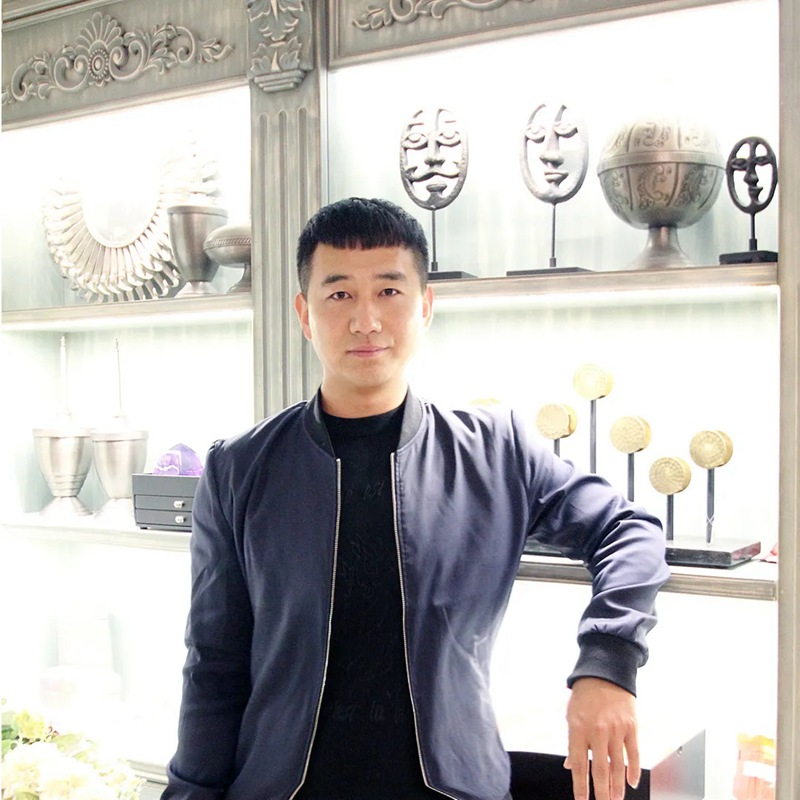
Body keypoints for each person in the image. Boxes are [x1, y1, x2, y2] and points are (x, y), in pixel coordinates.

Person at [163, 197, 670, 800]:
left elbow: (629, 531)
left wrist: (608, 663)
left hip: (453, 789)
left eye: (389, 291)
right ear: (305, 314)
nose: (366, 320)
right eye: (339, 294)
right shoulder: (239, 468)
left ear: (425, 306)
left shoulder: (495, 451)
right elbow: (213, 664)